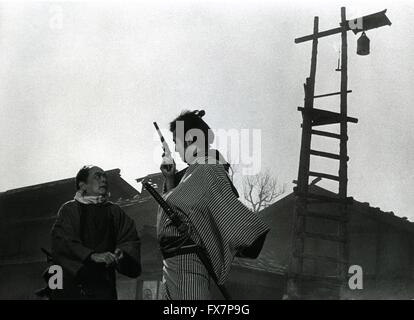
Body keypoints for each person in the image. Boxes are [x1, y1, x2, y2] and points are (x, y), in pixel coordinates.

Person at [157, 110, 270, 300]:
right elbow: (175, 210)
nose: (175, 149)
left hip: (188, 268)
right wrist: (169, 179)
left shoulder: (209, 170)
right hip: (171, 268)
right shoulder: (193, 173)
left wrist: (172, 186)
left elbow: (178, 205)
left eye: (176, 141)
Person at [50, 165, 141, 299]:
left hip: (104, 286)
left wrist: (122, 255)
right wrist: (90, 256)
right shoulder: (69, 209)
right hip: (72, 287)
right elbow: (62, 241)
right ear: (83, 186)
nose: (104, 180)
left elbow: (129, 240)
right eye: (97, 176)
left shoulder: (114, 212)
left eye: (105, 176)